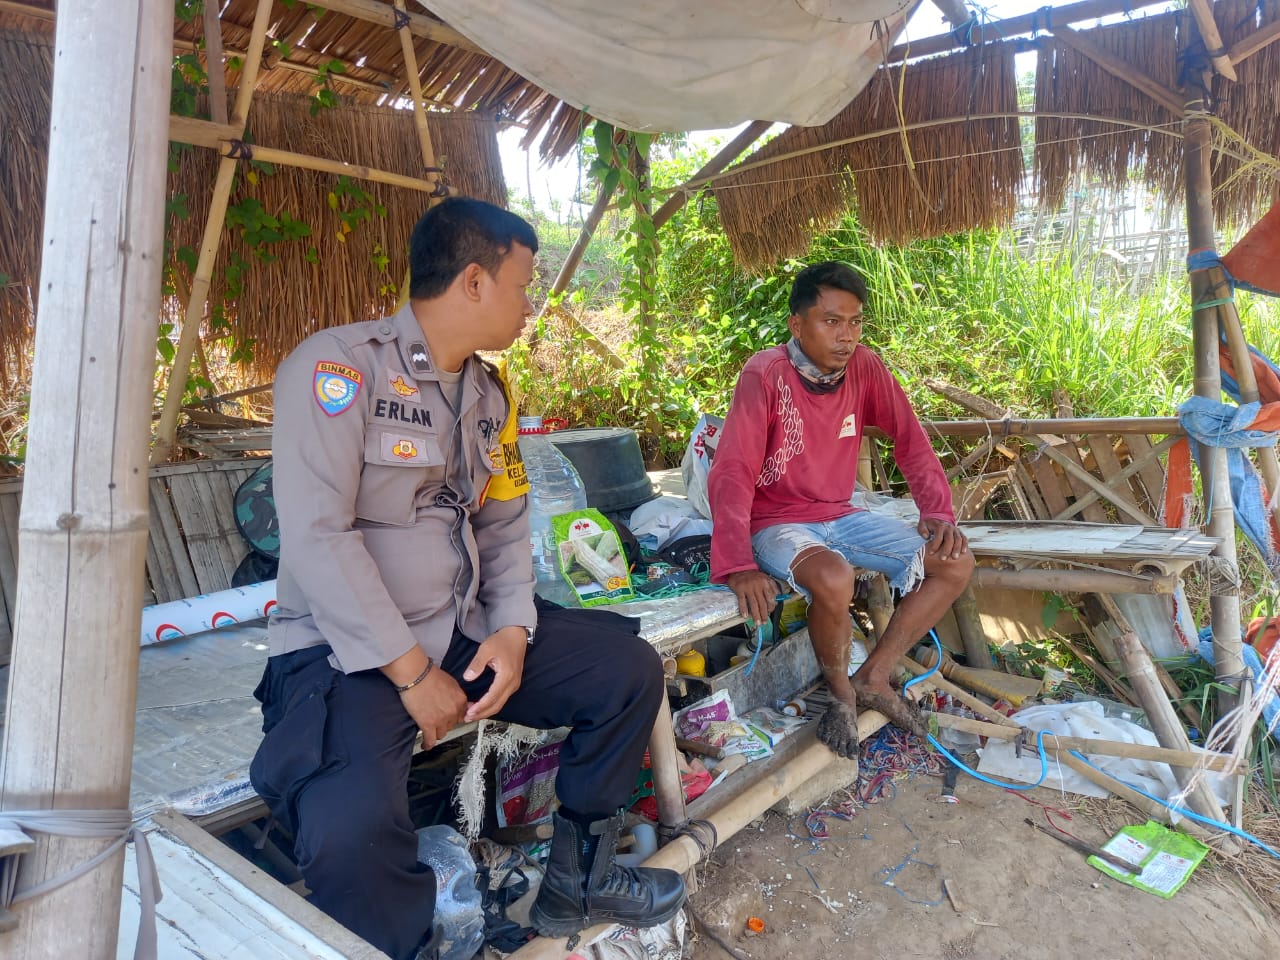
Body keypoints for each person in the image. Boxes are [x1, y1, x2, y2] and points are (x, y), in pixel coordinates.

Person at [250, 197, 684, 960]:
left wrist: (512, 629)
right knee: (347, 831)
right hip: (348, 651)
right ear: (475, 281)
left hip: (464, 631)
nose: (529, 304)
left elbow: (504, 525)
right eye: (523, 285)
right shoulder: (337, 367)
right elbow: (318, 537)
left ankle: (578, 880)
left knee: (626, 669)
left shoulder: (489, 395)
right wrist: (413, 673)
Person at [708, 261, 974, 759]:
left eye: (854, 322)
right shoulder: (766, 373)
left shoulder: (865, 367)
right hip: (776, 522)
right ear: (797, 324)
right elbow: (733, 469)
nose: (846, 335)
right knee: (833, 577)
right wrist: (737, 564)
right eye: (831, 321)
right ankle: (841, 696)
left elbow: (910, 439)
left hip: (841, 514)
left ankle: (873, 676)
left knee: (954, 561)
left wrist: (939, 512)